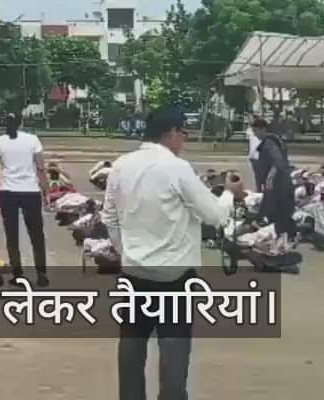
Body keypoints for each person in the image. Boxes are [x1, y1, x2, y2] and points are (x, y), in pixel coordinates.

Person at [102, 106, 247, 400]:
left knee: (132, 344)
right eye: (184, 133)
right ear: (171, 132)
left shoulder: (121, 165)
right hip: (174, 276)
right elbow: (216, 216)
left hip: (134, 272)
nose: (185, 140)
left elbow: (109, 218)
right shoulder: (177, 168)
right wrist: (231, 193)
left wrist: (127, 253)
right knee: (174, 350)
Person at [0, 113, 49, 287]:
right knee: (37, 234)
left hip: (8, 191)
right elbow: (41, 168)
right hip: (30, 191)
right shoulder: (32, 140)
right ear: (21, 123)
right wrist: (46, 192)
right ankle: (41, 273)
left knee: (12, 235)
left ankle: (18, 273)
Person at [252, 118, 297, 243]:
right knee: (282, 209)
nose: (255, 134)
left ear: (263, 129)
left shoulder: (269, 143)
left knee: (276, 209)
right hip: (281, 180)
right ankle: (288, 234)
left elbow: (277, 162)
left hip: (278, 182)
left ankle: (283, 235)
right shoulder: (275, 140)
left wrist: (269, 178)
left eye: (256, 131)